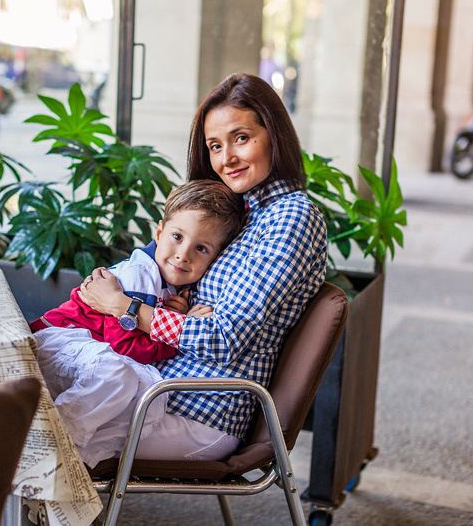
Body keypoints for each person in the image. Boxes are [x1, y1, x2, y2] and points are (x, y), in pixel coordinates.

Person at [76, 72, 328, 466]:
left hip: (198, 413)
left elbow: (225, 338)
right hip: (158, 388)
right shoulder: (241, 212)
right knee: (24, 399)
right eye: (215, 146)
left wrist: (124, 307)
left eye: (241, 138)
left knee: (36, 431)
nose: (226, 159)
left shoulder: (290, 217)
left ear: (275, 136)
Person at [32, 179, 246, 466]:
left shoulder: (168, 286)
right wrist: (178, 336)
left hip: (80, 354)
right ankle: (52, 440)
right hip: (55, 342)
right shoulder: (140, 275)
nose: (183, 255)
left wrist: (173, 316)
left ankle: (63, 443)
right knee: (117, 375)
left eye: (201, 248)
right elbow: (125, 347)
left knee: (134, 383)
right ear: (159, 232)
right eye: (177, 237)